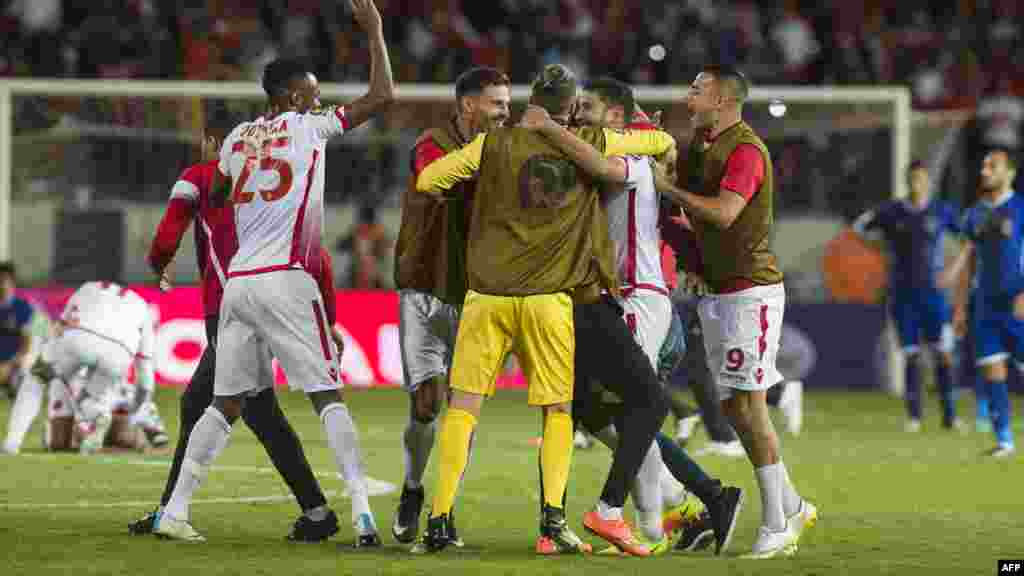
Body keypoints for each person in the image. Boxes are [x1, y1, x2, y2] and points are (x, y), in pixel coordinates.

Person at [154, 0, 395, 543]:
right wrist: (375, 33)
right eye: (312, 93)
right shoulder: (309, 128)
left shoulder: (237, 139)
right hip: (286, 276)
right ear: (291, 98)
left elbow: (217, 196)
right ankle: (361, 515)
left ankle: (175, 511)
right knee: (326, 394)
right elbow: (383, 97)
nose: (319, 100)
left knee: (226, 402)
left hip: (238, 285)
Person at [414, 64, 674, 555]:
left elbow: (428, 180)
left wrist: (474, 188)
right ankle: (553, 521)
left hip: (487, 296)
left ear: (531, 101)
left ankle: (440, 518)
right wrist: (656, 135)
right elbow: (656, 144)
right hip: (549, 300)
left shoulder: (491, 144)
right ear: (572, 108)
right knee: (557, 411)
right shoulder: (593, 140)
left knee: (464, 407)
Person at [130, 119, 341, 542]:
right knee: (251, 409)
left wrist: (159, 262)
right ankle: (316, 512)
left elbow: (169, 228)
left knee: (212, 405)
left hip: (232, 305)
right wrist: (328, 318)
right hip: (280, 297)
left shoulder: (201, 177)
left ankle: (170, 512)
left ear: (216, 144)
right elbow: (317, 254)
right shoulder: (283, 183)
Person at [560, 77, 744, 556]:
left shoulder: (629, 162)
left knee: (633, 413)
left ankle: (650, 526)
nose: (581, 114)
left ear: (617, 118)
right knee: (595, 410)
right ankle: (701, 499)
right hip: (619, 299)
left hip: (639, 299)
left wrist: (544, 129)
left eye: (590, 107)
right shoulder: (634, 149)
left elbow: (601, 160)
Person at [655, 66, 816, 558]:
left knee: (749, 404)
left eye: (698, 87)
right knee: (732, 407)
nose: (690, 92)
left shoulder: (745, 150)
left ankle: (776, 524)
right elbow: (690, 222)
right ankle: (792, 504)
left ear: (723, 100)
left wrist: (669, 189)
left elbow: (725, 212)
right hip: (718, 291)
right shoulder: (702, 143)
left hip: (751, 291)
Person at [392, 66, 511, 546]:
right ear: (468, 106)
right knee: (425, 405)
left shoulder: (504, 148)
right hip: (423, 287)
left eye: (507, 103)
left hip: (475, 295)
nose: (506, 111)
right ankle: (414, 487)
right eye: (497, 103)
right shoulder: (433, 142)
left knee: (462, 410)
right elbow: (434, 181)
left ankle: (445, 509)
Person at [851, 161, 962, 431]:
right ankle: (914, 417)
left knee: (943, 354)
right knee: (911, 355)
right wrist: (878, 247)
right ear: (907, 181)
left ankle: (950, 416)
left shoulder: (941, 211)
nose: (917, 184)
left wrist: (952, 270)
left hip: (935, 295)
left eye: (921, 179)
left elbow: (967, 239)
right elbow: (859, 228)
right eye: (912, 179)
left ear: (928, 182)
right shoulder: (892, 211)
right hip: (902, 295)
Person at [26, 281, 158, 455]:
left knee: (61, 442)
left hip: (86, 370)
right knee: (115, 434)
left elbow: (57, 336)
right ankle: (94, 423)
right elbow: (145, 376)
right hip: (107, 375)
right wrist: (140, 410)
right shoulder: (139, 311)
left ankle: (88, 426)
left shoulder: (86, 293)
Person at [953, 148, 1021, 457]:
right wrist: (959, 306)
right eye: (983, 165)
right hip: (984, 305)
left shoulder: (1020, 208)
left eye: (993, 166)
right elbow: (968, 262)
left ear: (1010, 173)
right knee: (994, 372)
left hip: (1017, 303)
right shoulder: (974, 214)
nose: (985, 170)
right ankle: (1005, 442)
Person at [0, 262, 34, 401]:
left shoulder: (23, 307)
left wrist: (12, 362)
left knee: (26, 366)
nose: (1, 285)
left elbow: (27, 343)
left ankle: (13, 385)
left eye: (3, 281)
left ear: (12, 282)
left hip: (15, 361)